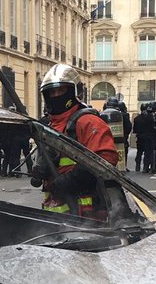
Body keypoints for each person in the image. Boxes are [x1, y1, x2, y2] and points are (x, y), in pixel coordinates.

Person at [37, 64, 118, 219]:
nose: (55, 96)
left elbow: (105, 159)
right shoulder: (50, 125)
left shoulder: (87, 122)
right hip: (57, 214)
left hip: (86, 212)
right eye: (51, 92)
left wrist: (70, 180)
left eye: (61, 90)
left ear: (74, 91)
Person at [133, 103, 155, 173]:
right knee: (147, 153)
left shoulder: (137, 118)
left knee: (139, 152)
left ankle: (137, 166)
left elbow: (134, 130)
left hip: (139, 137)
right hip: (147, 138)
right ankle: (145, 167)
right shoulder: (149, 118)